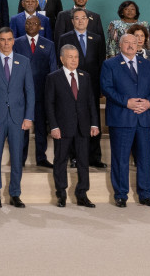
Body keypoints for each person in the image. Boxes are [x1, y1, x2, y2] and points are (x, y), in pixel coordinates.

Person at [101, 34, 150, 208]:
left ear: (138, 45)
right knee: (120, 159)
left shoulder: (147, 65)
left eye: (134, 43)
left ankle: (145, 194)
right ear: (120, 45)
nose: (130, 45)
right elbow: (107, 88)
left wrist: (149, 102)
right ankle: (121, 194)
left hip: (144, 118)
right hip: (121, 118)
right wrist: (126, 102)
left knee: (145, 158)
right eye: (126, 42)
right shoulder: (110, 64)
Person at [0, 27, 35, 208]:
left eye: (9, 39)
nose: (6, 43)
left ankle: (15, 193)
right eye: (2, 39)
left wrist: (29, 117)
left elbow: (30, 92)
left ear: (13, 41)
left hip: (18, 118)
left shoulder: (24, 61)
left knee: (17, 157)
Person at [45, 44, 100, 208]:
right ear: (62, 59)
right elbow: (49, 104)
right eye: (70, 57)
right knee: (60, 161)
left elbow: (91, 102)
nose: (74, 60)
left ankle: (82, 194)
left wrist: (94, 123)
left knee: (83, 161)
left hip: (83, 127)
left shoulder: (85, 76)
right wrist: (53, 126)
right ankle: (61, 194)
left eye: (76, 57)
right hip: (62, 128)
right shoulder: (53, 77)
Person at [58, 8, 107, 168]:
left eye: (83, 18)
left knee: (94, 121)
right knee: (74, 120)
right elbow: (61, 64)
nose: (80, 21)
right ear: (72, 21)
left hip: (92, 86)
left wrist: (100, 87)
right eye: (77, 18)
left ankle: (95, 157)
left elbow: (101, 63)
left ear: (88, 20)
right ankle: (75, 157)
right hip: (72, 84)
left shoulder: (97, 38)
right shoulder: (65, 38)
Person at [12, 16, 57, 168]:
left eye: (34, 23)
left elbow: (53, 70)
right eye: (28, 23)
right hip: (21, 92)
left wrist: (52, 92)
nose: (31, 25)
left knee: (40, 127)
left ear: (40, 27)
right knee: (21, 126)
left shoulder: (49, 44)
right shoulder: (16, 43)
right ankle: (20, 157)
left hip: (41, 91)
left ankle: (41, 157)